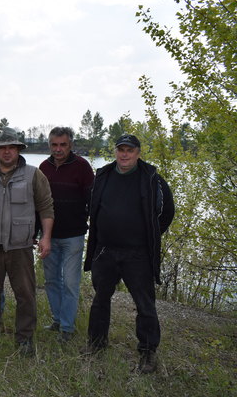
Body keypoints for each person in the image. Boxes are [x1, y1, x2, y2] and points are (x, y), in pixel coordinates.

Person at [82, 134, 174, 374]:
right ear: (115, 151)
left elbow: (166, 213)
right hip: (105, 251)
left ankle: (147, 353)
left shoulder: (152, 178)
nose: (124, 154)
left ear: (138, 152)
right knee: (100, 299)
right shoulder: (103, 176)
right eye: (121, 149)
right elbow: (90, 205)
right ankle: (96, 344)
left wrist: (149, 236)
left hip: (138, 254)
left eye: (129, 150)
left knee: (145, 305)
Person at [0, 128, 54, 356]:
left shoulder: (34, 175)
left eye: (11, 147)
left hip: (21, 247)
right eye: (2, 148)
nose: (6, 152)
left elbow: (45, 207)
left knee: (25, 294)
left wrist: (46, 237)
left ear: (18, 150)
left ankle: (24, 338)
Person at [39, 127, 94, 342]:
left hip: (73, 236)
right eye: (54, 145)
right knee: (52, 281)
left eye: (63, 145)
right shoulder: (44, 167)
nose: (58, 149)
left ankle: (67, 328)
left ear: (70, 145)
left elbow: (92, 198)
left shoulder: (82, 166)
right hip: (48, 236)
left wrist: (85, 220)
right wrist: (37, 230)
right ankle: (57, 319)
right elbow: (39, 203)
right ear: (50, 145)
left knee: (71, 282)